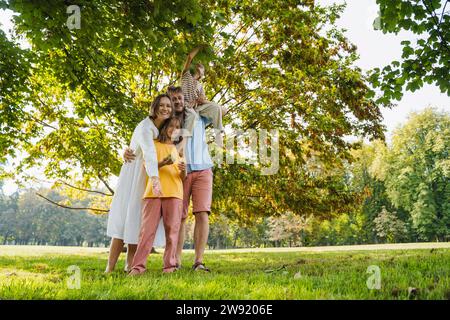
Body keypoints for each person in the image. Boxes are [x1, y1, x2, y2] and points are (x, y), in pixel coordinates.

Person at [124, 86, 215, 272]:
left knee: (192, 218)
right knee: (161, 225)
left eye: (180, 98)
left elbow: (221, 111)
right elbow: (143, 155)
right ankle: (150, 265)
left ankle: (186, 263)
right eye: (173, 100)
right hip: (161, 188)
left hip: (191, 177)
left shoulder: (194, 118)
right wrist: (127, 152)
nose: (177, 102)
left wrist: (203, 99)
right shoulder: (158, 137)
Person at [105, 94, 173, 273]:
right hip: (135, 175)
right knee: (123, 220)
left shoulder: (164, 128)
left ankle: (130, 265)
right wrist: (155, 178)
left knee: (137, 221)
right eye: (162, 105)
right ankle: (109, 268)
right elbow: (149, 153)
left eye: (168, 106)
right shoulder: (145, 126)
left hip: (148, 176)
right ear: (155, 106)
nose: (165, 108)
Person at [129, 117, 186, 275]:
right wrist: (162, 163)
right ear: (165, 127)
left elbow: (182, 177)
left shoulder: (178, 150)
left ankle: (170, 266)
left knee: (172, 232)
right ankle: (138, 267)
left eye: (177, 127)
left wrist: (184, 170)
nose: (174, 129)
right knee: (147, 232)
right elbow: (147, 165)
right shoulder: (153, 144)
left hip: (175, 193)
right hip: (153, 193)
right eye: (171, 126)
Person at [180, 46, 226, 146]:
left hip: (198, 107)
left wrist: (201, 100)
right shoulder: (186, 76)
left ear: (202, 73)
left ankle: (218, 133)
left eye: (202, 68)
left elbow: (203, 100)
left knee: (216, 107)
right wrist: (200, 47)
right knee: (192, 115)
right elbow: (189, 57)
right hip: (186, 106)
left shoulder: (200, 86)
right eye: (199, 67)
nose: (200, 67)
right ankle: (183, 143)